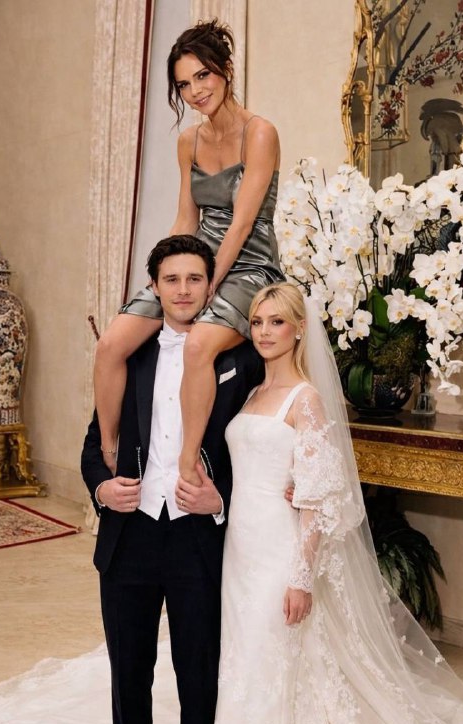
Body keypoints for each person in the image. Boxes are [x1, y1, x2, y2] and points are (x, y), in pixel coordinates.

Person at [195, 282, 463, 724]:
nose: (264, 332)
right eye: (257, 322)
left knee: (269, 653)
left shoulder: (306, 399)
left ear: (300, 329)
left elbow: (322, 498)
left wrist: (302, 578)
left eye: (277, 322)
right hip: (240, 548)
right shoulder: (252, 393)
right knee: (243, 656)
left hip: (279, 551)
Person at [81, 234, 263, 724]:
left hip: (197, 543)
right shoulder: (127, 356)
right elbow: (93, 443)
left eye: (194, 279)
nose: (183, 290)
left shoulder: (240, 361)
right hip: (128, 541)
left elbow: (259, 455)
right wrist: (102, 487)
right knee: (128, 680)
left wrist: (220, 499)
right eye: (171, 280)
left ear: (211, 287)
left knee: (199, 681)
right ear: (154, 288)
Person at [94, 19, 282, 487]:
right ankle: (111, 450)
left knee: (197, 344)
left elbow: (241, 223)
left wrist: (208, 281)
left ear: (225, 69)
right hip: (198, 264)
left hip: (249, 265)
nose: (195, 91)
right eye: (184, 84)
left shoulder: (260, 133)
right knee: (111, 343)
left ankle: (187, 461)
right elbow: (185, 219)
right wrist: (163, 271)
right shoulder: (188, 142)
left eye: (203, 75)